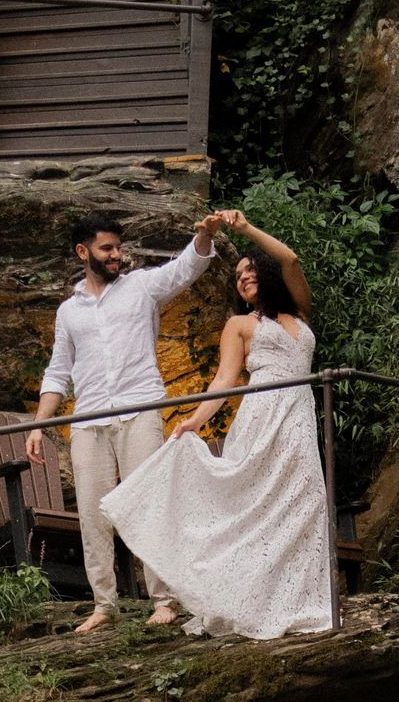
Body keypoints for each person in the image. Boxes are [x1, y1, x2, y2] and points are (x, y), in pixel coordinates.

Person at [101, 209, 332, 643]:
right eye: (238, 275)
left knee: (306, 504)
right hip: (261, 417)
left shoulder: (300, 311)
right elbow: (224, 381)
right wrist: (192, 420)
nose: (243, 278)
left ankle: (298, 602)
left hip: (298, 417)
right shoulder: (240, 325)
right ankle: (246, 601)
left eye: (250, 271)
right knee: (255, 513)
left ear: (265, 274)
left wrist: (243, 230)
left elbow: (291, 260)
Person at [28, 208, 222, 636]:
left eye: (118, 247)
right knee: (94, 514)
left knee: (148, 503)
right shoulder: (69, 311)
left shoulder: (140, 287)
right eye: (107, 248)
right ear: (84, 252)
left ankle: (164, 601)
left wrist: (205, 235)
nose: (117, 254)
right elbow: (58, 372)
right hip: (88, 419)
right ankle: (104, 604)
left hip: (139, 409)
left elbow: (185, 269)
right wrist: (38, 425)